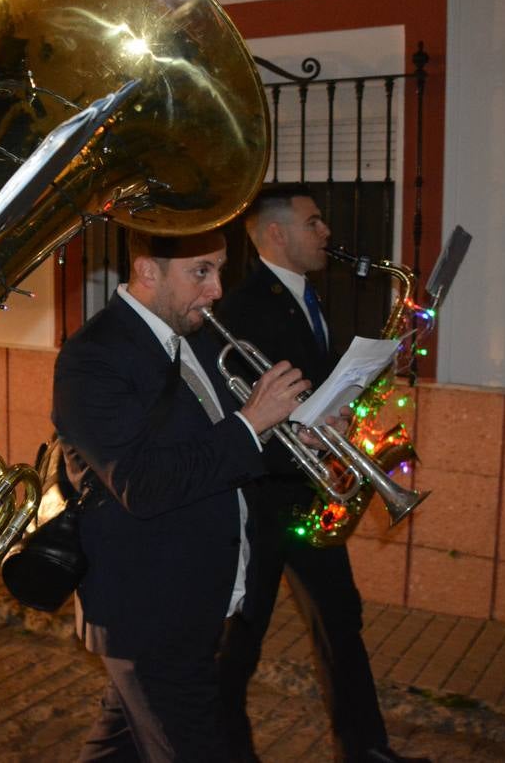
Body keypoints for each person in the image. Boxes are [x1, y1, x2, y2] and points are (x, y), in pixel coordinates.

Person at [52, 228, 311, 760]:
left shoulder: (193, 335)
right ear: (148, 270)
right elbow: (141, 484)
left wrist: (293, 439)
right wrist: (251, 421)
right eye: (201, 272)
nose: (217, 289)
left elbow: (221, 448)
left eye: (218, 269)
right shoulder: (92, 357)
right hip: (149, 613)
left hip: (195, 599)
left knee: (119, 747)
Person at [215, 184, 429, 763]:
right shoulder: (240, 307)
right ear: (277, 233)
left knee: (341, 625)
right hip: (263, 501)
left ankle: (366, 750)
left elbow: (315, 389)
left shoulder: (308, 297)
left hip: (309, 498)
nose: (326, 232)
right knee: (240, 644)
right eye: (314, 222)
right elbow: (244, 411)